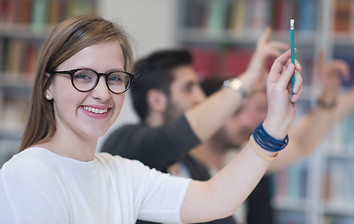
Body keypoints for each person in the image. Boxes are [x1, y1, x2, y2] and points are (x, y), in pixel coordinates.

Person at [0, 15, 303, 224]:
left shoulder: (121, 174)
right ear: (47, 85)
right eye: (83, 76)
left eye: (114, 78)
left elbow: (215, 198)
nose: (102, 93)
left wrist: (275, 123)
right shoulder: (30, 172)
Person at [101, 28, 288, 223]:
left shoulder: (194, 167)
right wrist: (248, 80)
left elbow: (218, 208)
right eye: (189, 88)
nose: (200, 98)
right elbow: (175, 135)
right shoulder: (126, 143)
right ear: (157, 100)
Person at [189, 50, 354, 224]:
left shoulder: (238, 157)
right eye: (235, 112)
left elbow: (303, 143)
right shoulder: (183, 173)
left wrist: (329, 98)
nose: (247, 121)